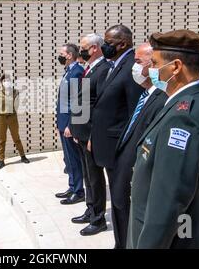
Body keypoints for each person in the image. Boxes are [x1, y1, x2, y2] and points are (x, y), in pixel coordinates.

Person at [127, 29, 199, 249]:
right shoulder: (196, 101)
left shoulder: (183, 117)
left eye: (155, 64)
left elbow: (168, 200)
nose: (150, 71)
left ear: (176, 67)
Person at [86, 25, 144, 236]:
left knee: (121, 201)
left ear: (123, 44)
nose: (105, 47)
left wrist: (129, 150)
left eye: (109, 43)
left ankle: (126, 242)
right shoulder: (115, 64)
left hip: (119, 148)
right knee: (118, 201)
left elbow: (134, 113)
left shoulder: (130, 68)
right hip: (108, 145)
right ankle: (120, 242)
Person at [110, 43, 168, 249]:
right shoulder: (144, 94)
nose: (133, 67)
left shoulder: (161, 98)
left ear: (153, 65)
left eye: (137, 62)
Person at [68, 34, 110, 234]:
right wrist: (76, 129)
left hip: (92, 134)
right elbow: (82, 102)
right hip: (82, 132)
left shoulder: (103, 70)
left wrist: (94, 135)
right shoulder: (89, 68)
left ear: (94, 48)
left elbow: (101, 107)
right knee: (87, 175)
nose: (81, 50)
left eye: (84, 47)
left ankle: (98, 218)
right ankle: (90, 208)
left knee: (95, 177)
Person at [55, 44, 85, 204]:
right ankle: (72, 186)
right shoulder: (69, 72)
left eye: (62, 53)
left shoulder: (77, 72)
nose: (59, 56)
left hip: (68, 124)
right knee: (68, 158)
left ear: (69, 55)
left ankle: (79, 190)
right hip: (63, 121)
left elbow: (78, 102)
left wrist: (70, 125)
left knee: (74, 158)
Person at [0, 74, 30, 169]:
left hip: (12, 117)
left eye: (8, 80)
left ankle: (23, 156)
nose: (6, 82)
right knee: (1, 139)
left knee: (16, 137)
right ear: (1, 82)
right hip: (1, 118)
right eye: (4, 81)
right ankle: (1, 160)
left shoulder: (15, 92)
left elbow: (17, 104)